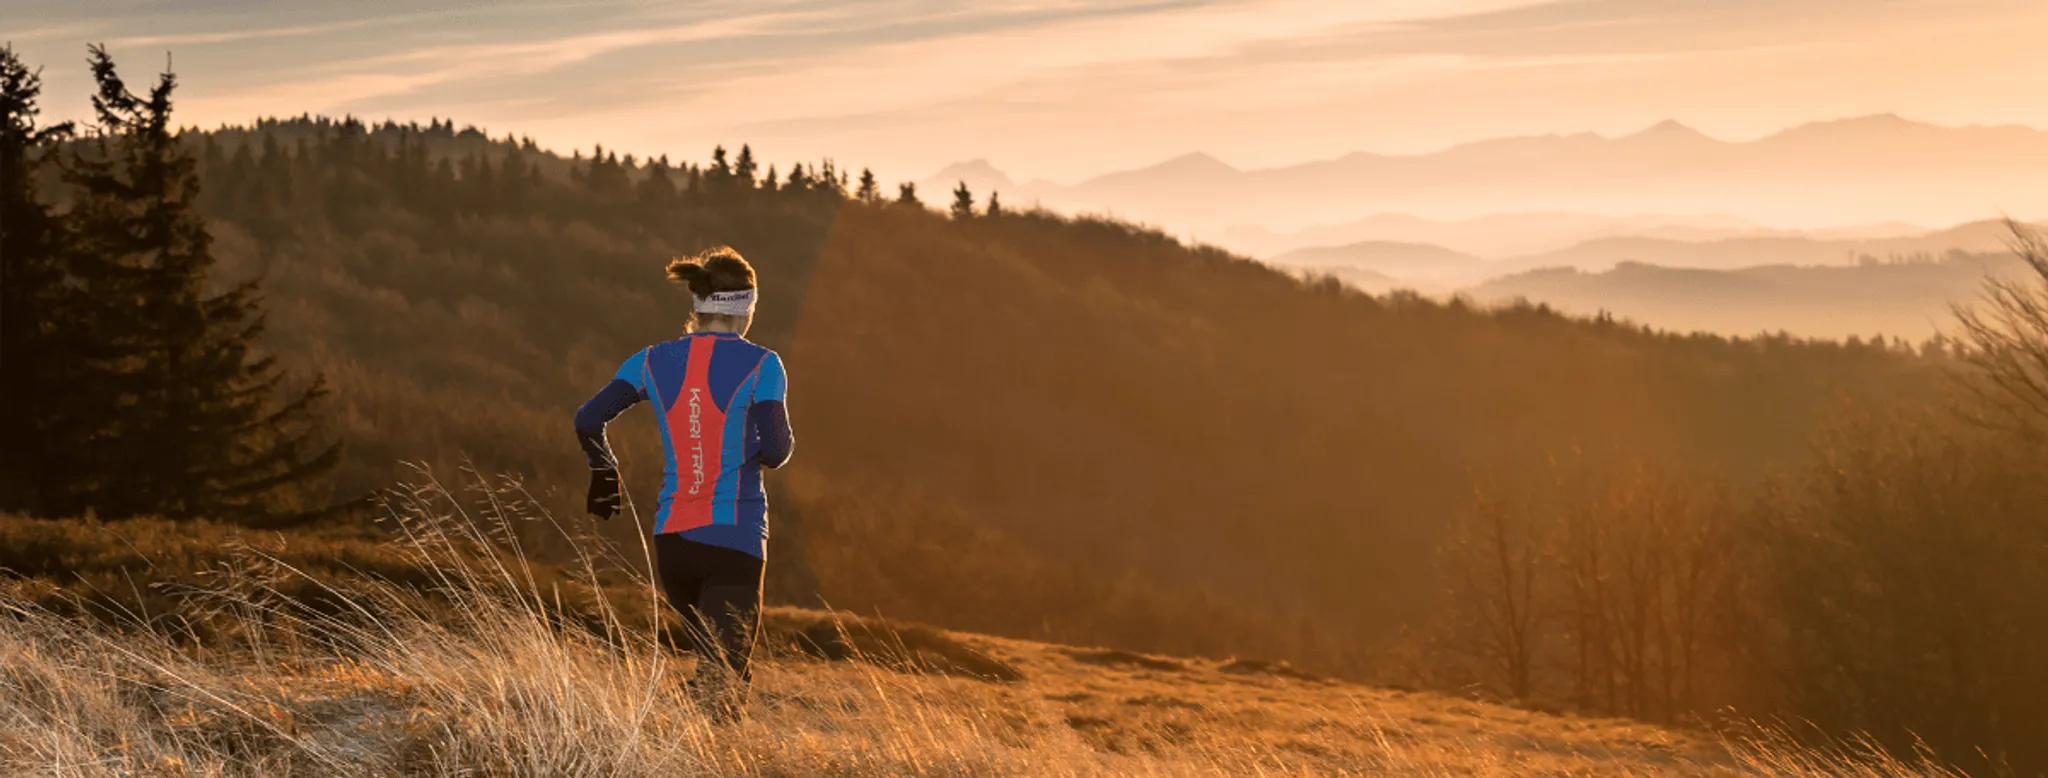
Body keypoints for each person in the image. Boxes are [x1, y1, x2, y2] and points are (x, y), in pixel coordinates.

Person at [573, 246, 793, 719]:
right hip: (734, 541)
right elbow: (776, 452)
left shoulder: (650, 360)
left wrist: (602, 470)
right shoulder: (764, 365)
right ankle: (633, 727)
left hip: (673, 546)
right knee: (722, 682)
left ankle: (660, 738)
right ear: (747, 310)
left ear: (695, 306)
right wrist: (742, 450)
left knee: (724, 674)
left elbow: (588, 419)